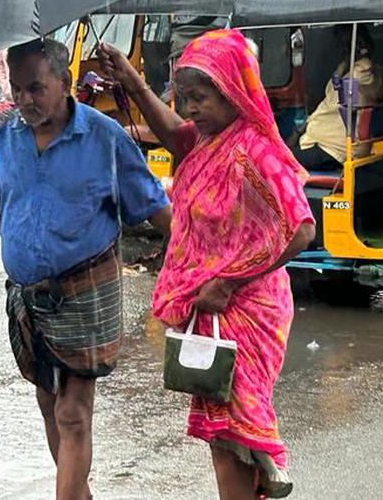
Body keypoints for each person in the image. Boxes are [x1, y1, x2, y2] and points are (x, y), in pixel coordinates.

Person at [0, 37, 172, 500]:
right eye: (16, 89)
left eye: (36, 88)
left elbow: (154, 206)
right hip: (28, 297)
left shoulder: (103, 136)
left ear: (65, 82)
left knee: (73, 412)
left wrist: (200, 258)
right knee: (49, 402)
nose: (24, 100)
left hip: (87, 288)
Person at [99, 29, 315, 500]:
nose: (192, 108)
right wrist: (132, 79)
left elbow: (302, 229)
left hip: (250, 306)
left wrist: (232, 281)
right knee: (222, 429)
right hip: (211, 303)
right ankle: (260, 477)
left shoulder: (257, 151)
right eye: (186, 98)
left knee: (234, 432)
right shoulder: (203, 142)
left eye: (201, 98)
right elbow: (173, 132)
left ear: (234, 90)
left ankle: (261, 470)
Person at [288, 25, 383, 171]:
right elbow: (333, 87)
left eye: (341, 45)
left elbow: (334, 106)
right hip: (329, 145)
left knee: (276, 159)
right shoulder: (361, 71)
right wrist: (344, 63)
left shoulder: (356, 77)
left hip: (331, 149)